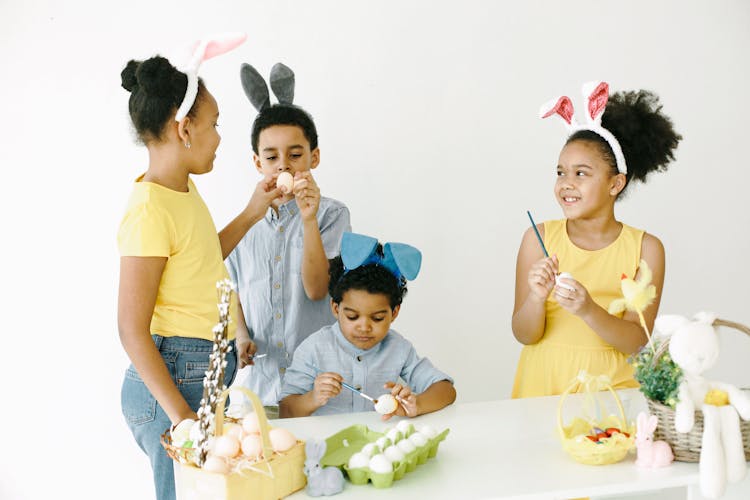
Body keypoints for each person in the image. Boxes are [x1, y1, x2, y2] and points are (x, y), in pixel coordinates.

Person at [117, 42, 283, 500]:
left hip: (199, 375)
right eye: (214, 125)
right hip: (174, 386)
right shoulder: (150, 209)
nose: (219, 136)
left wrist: (252, 212)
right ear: (185, 129)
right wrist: (182, 417)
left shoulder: (181, 191)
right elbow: (132, 330)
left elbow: (202, 258)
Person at [511, 82, 682, 398]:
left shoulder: (647, 248)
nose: (566, 184)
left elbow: (636, 342)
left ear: (615, 183)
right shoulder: (538, 239)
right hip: (543, 384)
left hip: (611, 390)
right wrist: (536, 298)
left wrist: (588, 309)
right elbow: (523, 334)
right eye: (560, 172)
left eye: (581, 173)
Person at [226, 63, 351, 415]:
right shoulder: (243, 223)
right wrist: (241, 335)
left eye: (295, 155)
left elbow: (317, 289)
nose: (284, 166)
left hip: (317, 390)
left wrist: (308, 219)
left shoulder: (332, 215)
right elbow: (231, 286)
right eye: (271, 157)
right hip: (258, 393)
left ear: (314, 157)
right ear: (257, 162)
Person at [279, 232, 456, 418]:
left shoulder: (398, 348)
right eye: (352, 316)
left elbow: (446, 390)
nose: (364, 327)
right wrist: (312, 398)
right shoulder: (313, 349)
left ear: (394, 313)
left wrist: (417, 404)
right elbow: (285, 411)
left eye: (377, 318)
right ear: (335, 308)